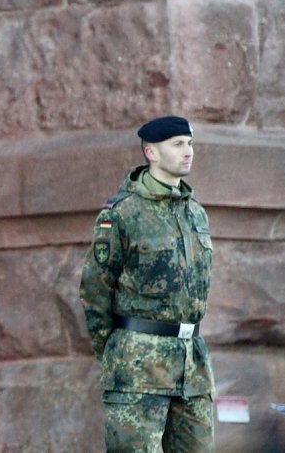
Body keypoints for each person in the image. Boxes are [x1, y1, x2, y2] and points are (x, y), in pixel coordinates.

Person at [79, 116, 215, 452]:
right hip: (137, 369)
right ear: (150, 152)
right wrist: (116, 354)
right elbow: (95, 291)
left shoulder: (195, 212)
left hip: (191, 367)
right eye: (178, 144)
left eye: (190, 143)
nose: (188, 151)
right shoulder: (122, 214)